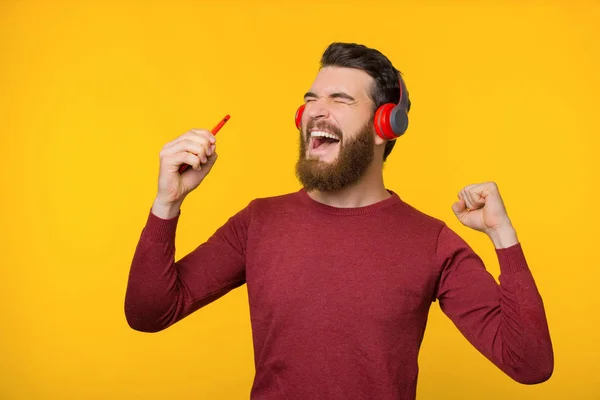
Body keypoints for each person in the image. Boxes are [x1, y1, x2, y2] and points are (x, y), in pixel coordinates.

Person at [124, 42, 554, 399]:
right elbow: (150, 313)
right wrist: (168, 202)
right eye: (311, 99)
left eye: (340, 99)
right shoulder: (260, 222)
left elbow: (529, 364)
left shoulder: (432, 242)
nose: (315, 110)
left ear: (386, 124)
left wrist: (503, 237)